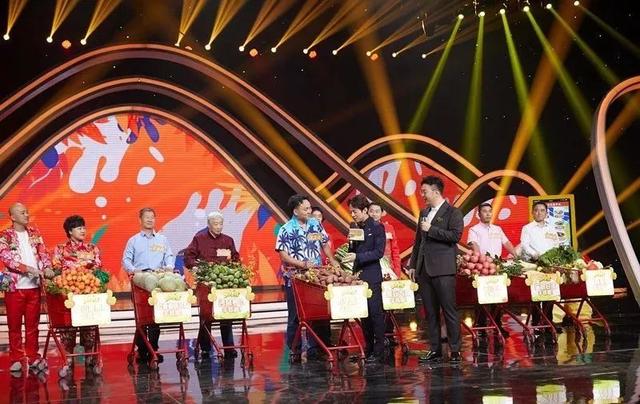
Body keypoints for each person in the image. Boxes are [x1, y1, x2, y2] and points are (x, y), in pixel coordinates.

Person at [407, 176, 463, 363]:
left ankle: (455, 350)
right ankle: (435, 349)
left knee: (449, 310)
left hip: (443, 269)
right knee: (430, 313)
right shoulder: (423, 213)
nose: (422, 195)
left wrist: (431, 229)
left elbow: (455, 236)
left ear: (436, 192)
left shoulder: (453, 212)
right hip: (425, 270)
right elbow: (418, 242)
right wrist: (413, 265)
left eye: (424, 191)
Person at [275, 195, 339, 358]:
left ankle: (319, 347)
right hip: (295, 278)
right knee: (296, 315)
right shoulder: (286, 229)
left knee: (320, 312)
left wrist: (332, 260)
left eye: (310, 208)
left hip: (316, 276)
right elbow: (283, 255)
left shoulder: (315, 224)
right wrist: (302, 264)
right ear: (295, 211)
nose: (309, 211)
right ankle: (295, 349)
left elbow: (324, 243)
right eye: (306, 209)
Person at [0, 203, 53, 373]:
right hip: (15, 287)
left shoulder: (34, 233)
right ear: (13, 217)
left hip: (34, 287)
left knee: (32, 325)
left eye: (27, 212)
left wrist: (47, 267)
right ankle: (16, 358)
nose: (26, 215)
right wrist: (28, 269)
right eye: (22, 212)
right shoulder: (5, 236)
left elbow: (43, 253)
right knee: (14, 326)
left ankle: (33, 356)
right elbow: (7, 259)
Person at [184, 211, 240, 359]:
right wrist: (198, 267)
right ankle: (205, 348)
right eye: (215, 224)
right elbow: (188, 258)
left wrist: (234, 269)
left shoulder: (228, 240)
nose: (218, 227)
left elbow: (236, 258)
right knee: (206, 316)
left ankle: (229, 347)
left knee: (226, 314)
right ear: (209, 225)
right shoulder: (199, 239)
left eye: (220, 224)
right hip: (206, 284)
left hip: (224, 283)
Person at [122, 207, 175, 363]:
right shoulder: (133, 240)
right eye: (147, 217)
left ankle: (154, 349)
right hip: (141, 282)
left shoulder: (162, 239)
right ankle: (142, 349)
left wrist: (169, 267)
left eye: (152, 217)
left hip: (157, 280)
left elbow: (169, 256)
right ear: (140, 220)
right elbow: (126, 260)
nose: (150, 220)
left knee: (155, 318)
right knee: (142, 319)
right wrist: (134, 270)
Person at [52, 215, 102, 367]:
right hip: (68, 294)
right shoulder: (61, 249)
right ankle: (68, 357)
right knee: (68, 326)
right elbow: (56, 268)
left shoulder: (92, 248)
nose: (83, 230)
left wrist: (84, 273)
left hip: (87, 292)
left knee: (89, 325)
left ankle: (89, 355)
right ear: (70, 231)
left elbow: (97, 266)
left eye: (84, 227)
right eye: (79, 228)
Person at [342, 194, 386, 364]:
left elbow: (378, 252)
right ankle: (368, 349)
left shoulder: (377, 227)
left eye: (355, 211)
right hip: (358, 275)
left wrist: (358, 257)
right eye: (351, 212)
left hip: (372, 274)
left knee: (375, 313)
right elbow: (353, 251)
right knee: (364, 314)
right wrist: (351, 245)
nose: (352, 214)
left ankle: (379, 350)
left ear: (365, 210)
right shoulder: (355, 228)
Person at [467, 203, 516, 337]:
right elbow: (474, 244)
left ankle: (497, 325)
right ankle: (481, 327)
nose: (488, 214)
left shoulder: (497, 229)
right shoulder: (474, 229)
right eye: (484, 211)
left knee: (497, 297)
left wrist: (516, 255)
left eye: (490, 211)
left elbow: (506, 243)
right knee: (482, 298)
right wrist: (480, 260)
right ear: (479, 214)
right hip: (482, 267)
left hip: (497, 266)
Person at [519, 201, 561, 332]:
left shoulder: (551, 228)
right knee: (537, 294)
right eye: (536, 210)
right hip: (534, 264)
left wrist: (554, 258)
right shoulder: (527, 228)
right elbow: (524, 244)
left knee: (550, 292)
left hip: (550, 264)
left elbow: (556, 244)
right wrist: (535, 255)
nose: (539, 213)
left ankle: (549, 322)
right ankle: (537, 323)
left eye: (542, 210)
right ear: (532, 212)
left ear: (546, 213)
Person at [368, 202, 402, 278]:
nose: (374, 214)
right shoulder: (363, 229)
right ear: (367, 212)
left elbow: (395, 251)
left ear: (382, 213)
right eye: (371, 211)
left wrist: (397, 271)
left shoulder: (389, 228)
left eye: (377, 211)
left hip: (388, 269)